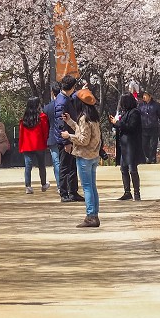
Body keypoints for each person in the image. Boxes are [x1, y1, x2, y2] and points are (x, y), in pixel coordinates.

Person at [60, 88, 102, 228]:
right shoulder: (93, 118)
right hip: (93, 156)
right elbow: (83, 131)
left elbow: (83, 139)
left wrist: (69, 136)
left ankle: (90, 216)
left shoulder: (84, 118)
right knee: (92, 186)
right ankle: (94, 214)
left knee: (87, 187)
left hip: (84, 156)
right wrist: (71, 122)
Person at [53, 75, 84, 203]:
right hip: (65, 139)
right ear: (71, 87)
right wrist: (65, 141)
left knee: (72, 166)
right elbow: (61, 123)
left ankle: (73, 191)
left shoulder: (66, 98)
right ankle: (64, 192)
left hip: (71, 137)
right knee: (65, 166)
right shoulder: (62, 101)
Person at [110, 92, 144, 201]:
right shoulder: (125, 113)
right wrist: (114, 122)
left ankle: (136, 192)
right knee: (123, 168)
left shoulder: (135, 113)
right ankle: (127, 192)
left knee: (132, 169)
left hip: (131, 144)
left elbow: (131, 127)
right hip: (124, 145)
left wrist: (118, 123)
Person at [18, 97, 50, 194]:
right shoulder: (42, 117)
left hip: (27, 145)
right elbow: (45, 132)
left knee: (28, 166)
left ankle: (28, 186)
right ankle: (43, 184)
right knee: (41, 165)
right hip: (39, 144)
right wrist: (46, 142)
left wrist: (21, 146)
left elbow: (21, 134)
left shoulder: (24, 119)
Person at [137, 89, 160, 164]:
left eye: (146, 95)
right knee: (144, 145)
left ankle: (152, 160)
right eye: (143, 95)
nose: (144, 97)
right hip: (143, 128)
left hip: (153, 127)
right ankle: (147, 158)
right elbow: (137, 116)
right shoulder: (140, 105)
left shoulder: (156, 105)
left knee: (153, 145)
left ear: (150, 96)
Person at [43, 82, 62, 192]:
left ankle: (60, 185)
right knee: (66, 162)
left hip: (52, 137)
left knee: (56, 162)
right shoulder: (66, 104)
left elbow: (46, 125)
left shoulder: (47, 108)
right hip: (65, 137)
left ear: (52, 93)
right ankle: (66, 184)